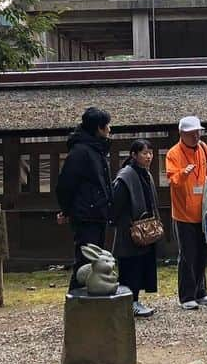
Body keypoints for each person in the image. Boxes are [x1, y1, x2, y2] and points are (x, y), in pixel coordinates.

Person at [55, 106, 114, 292]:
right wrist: (67, 210)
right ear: (98, 128)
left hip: (98, 211)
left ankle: (92, 300)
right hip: (86, 213)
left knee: (97, 261)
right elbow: (65, 184)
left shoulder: (96, 149)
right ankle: (76, 302)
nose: (110, 129)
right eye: (107, 126)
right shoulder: (81, 151)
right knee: (85, 262)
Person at [165, 114, 207, 309]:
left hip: (204, 210)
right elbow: (172, 180)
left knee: (203, 253)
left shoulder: (204, 148)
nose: (196, 136)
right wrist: (183, 173)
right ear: (182, 134)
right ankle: (187, 296)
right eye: (192, 133)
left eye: (198, 132)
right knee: (188, 254)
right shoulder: (173, 153)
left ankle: (201, 291)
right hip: (183, 213)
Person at [111, 139, 160, 318]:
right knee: (129, 267)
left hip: (144, 229)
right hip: (129, 229)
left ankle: (134, 301)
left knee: (140, 265)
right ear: (133, 155)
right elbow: (116, 203)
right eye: (144, 153)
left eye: (151, 153)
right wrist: (128, 222)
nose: (148, 157)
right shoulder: (126, 176)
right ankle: (128, 303)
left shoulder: (145, 174)